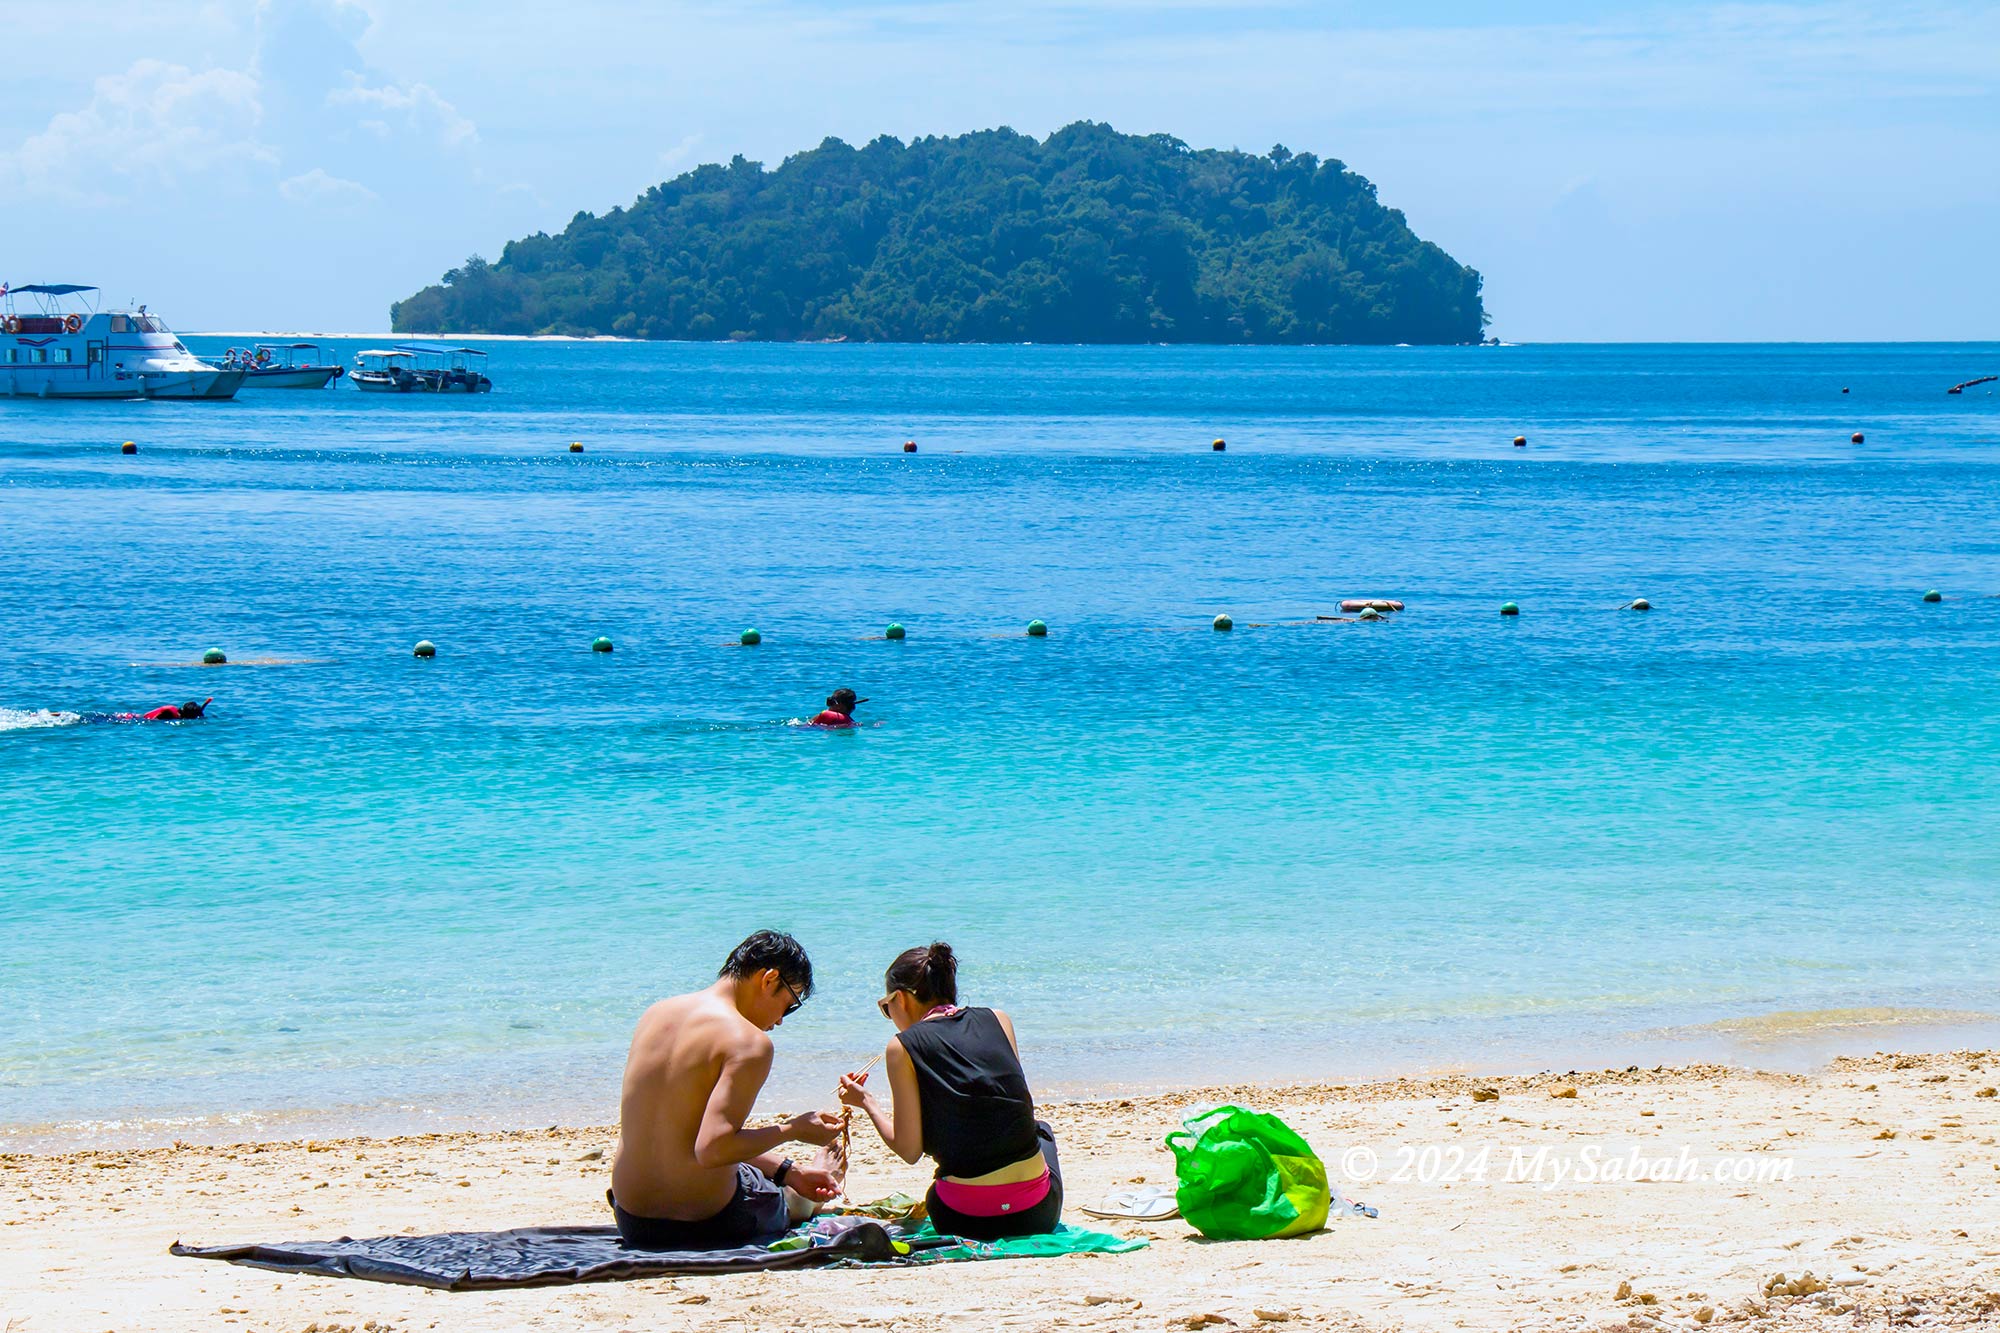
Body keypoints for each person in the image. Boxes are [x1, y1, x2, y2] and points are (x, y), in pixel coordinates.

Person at [609, 931, 846, 1250]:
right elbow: (713, 1149)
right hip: (710, 1221)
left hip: (634, 1221)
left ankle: (794, 1178)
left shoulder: (656, 1014)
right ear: (769, 979)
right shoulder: (749, 1042)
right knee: (763, 1191)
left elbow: (691, 1136)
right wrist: (793, 1129)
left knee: (733, 1156)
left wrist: (788, 1169)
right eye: (788, 1005)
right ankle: (797, 1201)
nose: (779, 1021)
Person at [839, 942, 1063, 1240]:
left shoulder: (902, 1046)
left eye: (886, 1007)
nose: (889, 1015)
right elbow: (1006, 1108)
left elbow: (909, 1150)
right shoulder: (999, 1019)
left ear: (901, 999)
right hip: (1038, 1214)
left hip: (962, 1218)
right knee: (1040, 1130)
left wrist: (866, 1102)